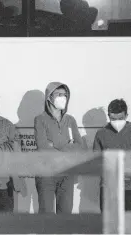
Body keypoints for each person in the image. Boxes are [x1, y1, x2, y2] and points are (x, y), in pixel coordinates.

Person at [34, 82, 85, 214]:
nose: (63, 98)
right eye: (59, 94)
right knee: (46, 215)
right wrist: (68, 146)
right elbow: (43, 147)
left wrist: (55, 145)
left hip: (67, 174)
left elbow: (80, 146)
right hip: (46, 175)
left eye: (65, 95)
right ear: (49, 97)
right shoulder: (40, 120)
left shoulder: (70, 120)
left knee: (65, 215)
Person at [93, 99, 131, 212]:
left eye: (120, 118)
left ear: (127, 115)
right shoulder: (101, 134)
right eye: (113, 119)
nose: (117, 122)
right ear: (108, 116)